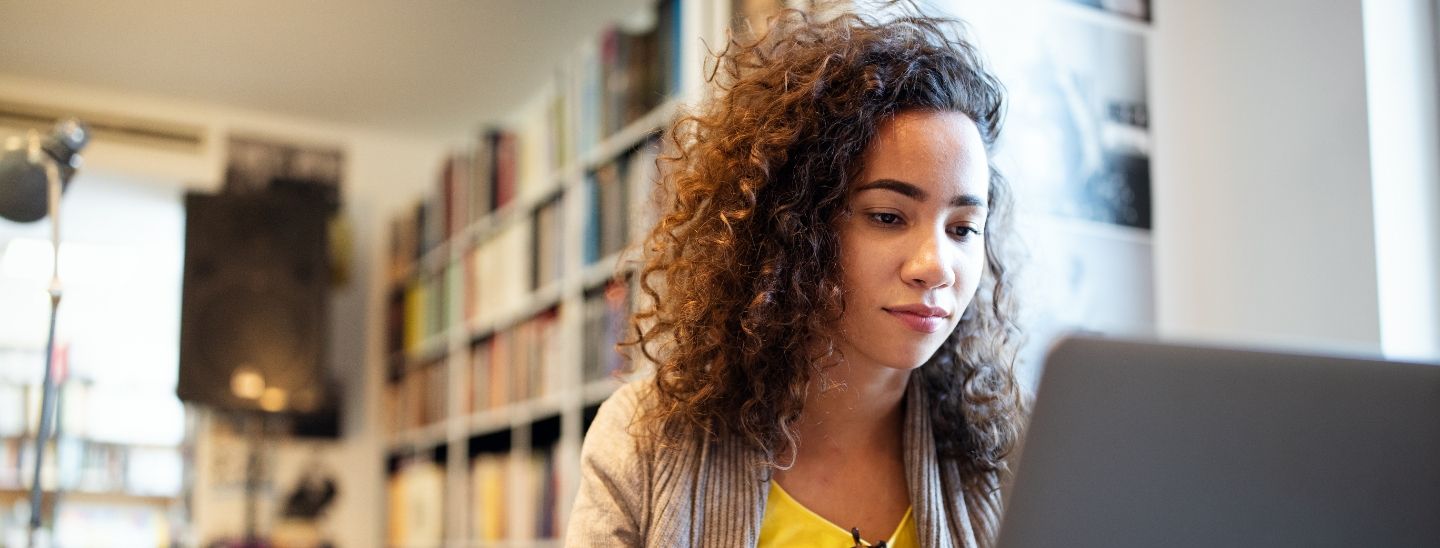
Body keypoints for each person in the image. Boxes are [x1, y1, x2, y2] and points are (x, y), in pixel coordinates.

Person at [566, 3, 1025, 547]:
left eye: (963, 229)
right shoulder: (643, 439)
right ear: (795, 224)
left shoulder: (1009, 458)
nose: (936, 267)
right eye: (887, 217)